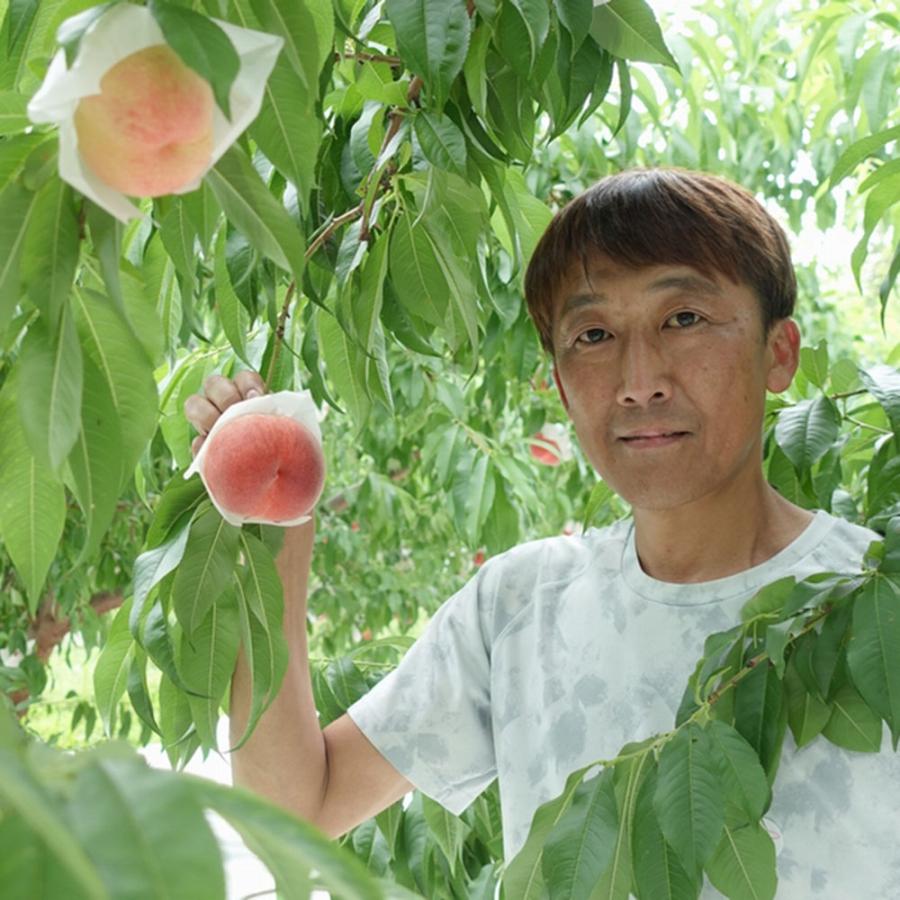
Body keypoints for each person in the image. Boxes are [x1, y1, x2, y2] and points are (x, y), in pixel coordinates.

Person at [184, 167, 899, 898]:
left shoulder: (879, 600)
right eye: (593, 335)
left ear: (778, 352)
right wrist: (274, 517)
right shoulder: (519, 607)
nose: (639, 378)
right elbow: (292, 809)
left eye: (683, 318)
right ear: (560, 383)